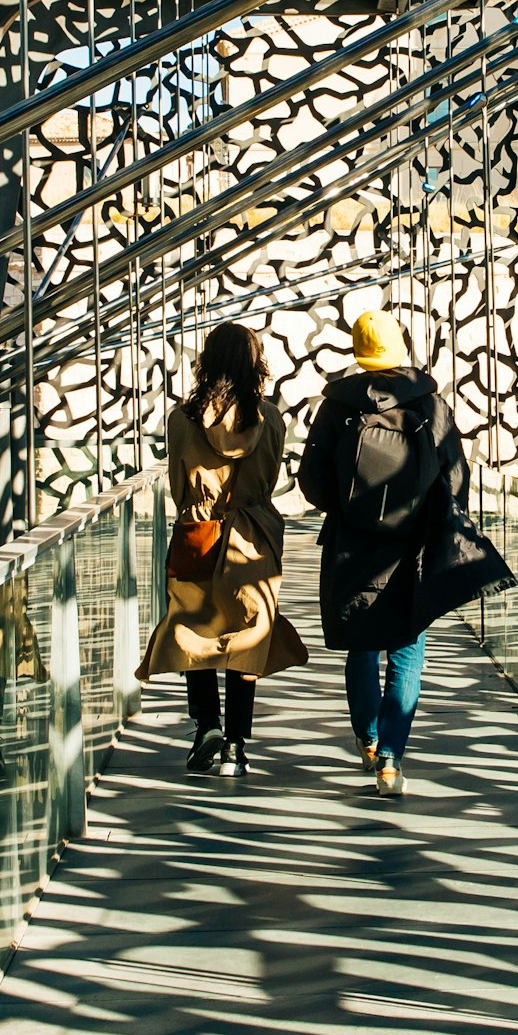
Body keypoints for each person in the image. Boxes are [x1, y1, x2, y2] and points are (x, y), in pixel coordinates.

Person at [299, 304, 466, 799]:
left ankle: (369, 740)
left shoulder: (337, 406)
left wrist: (351, 511)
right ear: (400, 348)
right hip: (411, 548)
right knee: (408, 649)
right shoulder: (431, 406)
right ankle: (391, 760)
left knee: (363, 645)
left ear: (358, 351)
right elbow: (455, 475)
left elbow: (311, 482)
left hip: (353, 548)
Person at [135, 320, 307, 776]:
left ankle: (206, 725)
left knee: (195, 631)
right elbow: (269, 480)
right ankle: (236, 744)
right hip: (253, 539)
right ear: (255, 363)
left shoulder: (181, 420)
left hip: (199, 535)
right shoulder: (271, 419)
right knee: (247, 635)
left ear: (207, 363)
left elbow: (177, 486)